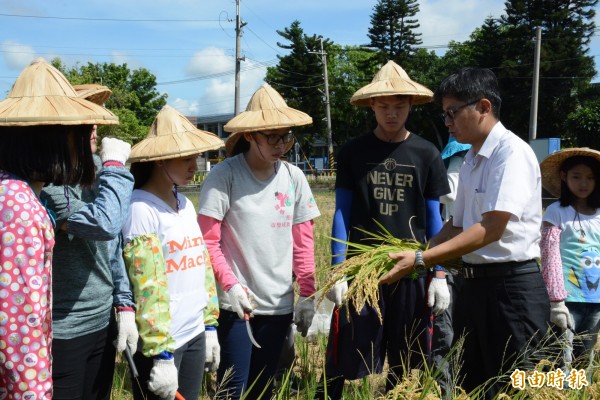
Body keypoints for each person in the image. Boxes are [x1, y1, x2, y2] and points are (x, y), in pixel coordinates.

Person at [380, 67, 550, 398]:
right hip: (474, 287)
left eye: (452, 113)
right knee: (475, 384)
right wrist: (420, 251)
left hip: (512, 289)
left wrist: (420, 259)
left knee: (518, 386)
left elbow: (491, 228)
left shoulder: (510, 154)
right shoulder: (471, 158)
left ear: (483, 107)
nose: (447, 122)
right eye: (445, 114)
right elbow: (456, 224)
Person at [320, 60, 451, 400]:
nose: (391, 114)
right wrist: (339, 270)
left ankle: (398, 394)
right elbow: (342, 213)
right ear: (372, 107)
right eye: (383, 106)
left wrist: (438, 273)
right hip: (364, 267)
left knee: (407, 349)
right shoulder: (353, 152)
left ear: (410, 106)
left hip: (411, 266)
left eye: (399, 106)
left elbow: (435, 218)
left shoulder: (427, 154)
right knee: (349, 346)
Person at [0, 58, 118, 399]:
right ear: (55, 136)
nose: (88, 142)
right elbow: (19, 329)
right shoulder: (19, 208)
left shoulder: (17, 194)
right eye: (82, 131)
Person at [197, 83, 321, 400]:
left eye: (287, 136)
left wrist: (307, 294)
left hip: (279, 304)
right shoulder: (224, 176)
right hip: (237, 305)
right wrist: (231, 285)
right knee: (232, 389)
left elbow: (303, 242)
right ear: (251, 135)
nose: (282, 145)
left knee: (265, 389)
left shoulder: (294, 177)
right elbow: (207, 241)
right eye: (273, 137)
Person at [39, 84, 137, 400]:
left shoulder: (93, 170)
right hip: (64, 328)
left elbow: (113, 245)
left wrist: (124, 302)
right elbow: (104, 224)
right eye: (84, 120)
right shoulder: (48, 184)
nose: (94, 128)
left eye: (93, 120)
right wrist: (114, 168)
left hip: (101, 318)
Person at [121, 105, 224, 400]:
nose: (195, 165)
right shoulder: (140, 209)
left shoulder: (186, 205)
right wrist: (160, 352)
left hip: (193, 331)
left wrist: (209, 324)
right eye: (186, 158)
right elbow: (147, 284)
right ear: (159, 160)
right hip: (163, 344)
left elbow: (201, 265)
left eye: (196, 157)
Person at [539, 148, 600, 371]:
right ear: (564, 177)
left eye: (590, 178)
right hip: (566, 299)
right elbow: (549, 254)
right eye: (577, 177)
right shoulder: (556, 211)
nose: (584, 183)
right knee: (561, 358)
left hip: (596, 301)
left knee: (586, 358)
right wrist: (556, 299)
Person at [431, 136, 471, 398]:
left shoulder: (466, 162)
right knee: (446, 333)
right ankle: (447, 391)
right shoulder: (461, 162)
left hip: (470, 257)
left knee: (462, 332)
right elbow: (449, 195)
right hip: (453, 257)